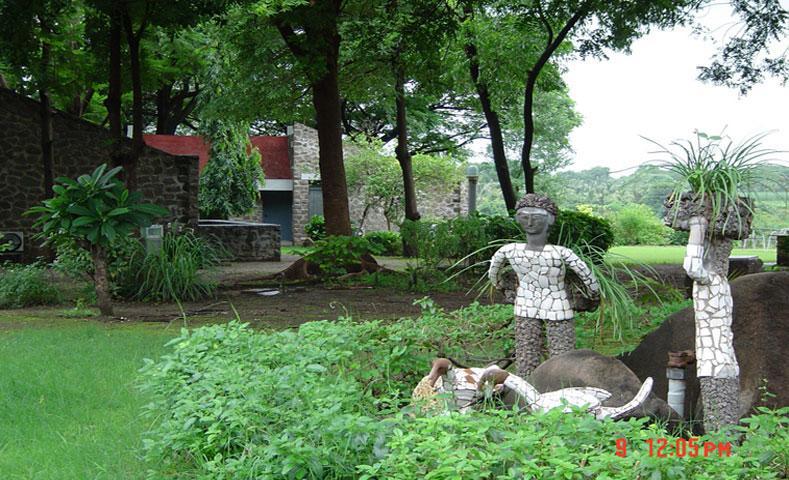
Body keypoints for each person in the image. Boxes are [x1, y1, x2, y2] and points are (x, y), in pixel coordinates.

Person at [488, 194, 600, 377]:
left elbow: (494, 274)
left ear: (550, 220)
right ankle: (531, 387)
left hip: (542, 305)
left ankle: (556, 385)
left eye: (536, 216)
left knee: (557, 354)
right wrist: (592, 295)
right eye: (525, 216)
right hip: (538, 305)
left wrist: (501, 285)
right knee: (528, 353)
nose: (530, 221)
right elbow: (589, 279)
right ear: (518, 218)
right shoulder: (557, 253)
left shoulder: (512, 251)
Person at [683, 215, 740, 431]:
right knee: (721, 421)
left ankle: (723, 454)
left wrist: (698, 228)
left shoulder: (716, 281)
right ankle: (722, 456)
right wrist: (699, 230)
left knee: (722, 422)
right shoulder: (714, 280)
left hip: (719, 363)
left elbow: (692, 266)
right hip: (718, 363)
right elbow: (692, 266)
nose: (726, 253)